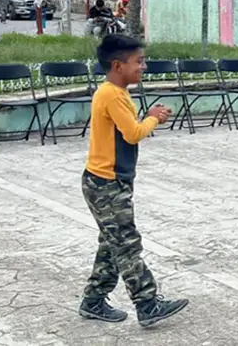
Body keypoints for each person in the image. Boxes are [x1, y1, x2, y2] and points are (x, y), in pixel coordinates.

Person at [79, 34, 188, 327]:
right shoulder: (112, 94)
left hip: (112, 181)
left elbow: (126, 130)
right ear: (117, 65)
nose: (144, 67)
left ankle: (93, 300)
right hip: (106, 183)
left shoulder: (116, 93)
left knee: (112, 243)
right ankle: (147, 303)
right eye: (138, 61)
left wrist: (147, 117)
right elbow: (133, 133)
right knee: (126, 244)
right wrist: (153, 118)